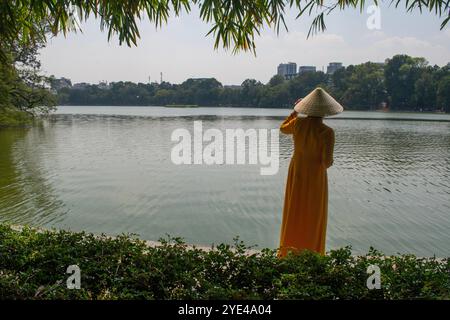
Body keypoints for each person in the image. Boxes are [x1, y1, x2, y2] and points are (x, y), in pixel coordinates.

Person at [278, 87, 343, 257]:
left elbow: (283, 128)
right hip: (315, 176)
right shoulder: (327, 132)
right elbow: (327, 162)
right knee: (313, 214)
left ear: (305, 108)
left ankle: (288, 252)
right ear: (325, 111)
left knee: (294, 209)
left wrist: (294, 112)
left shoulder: (298, 123)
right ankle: (312, 254)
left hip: (297, 170)